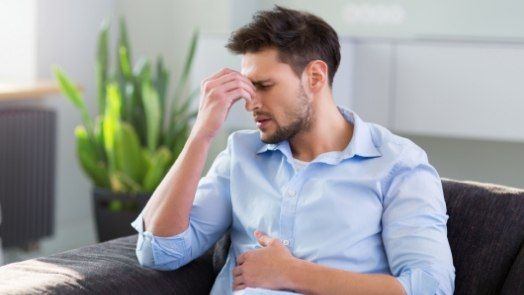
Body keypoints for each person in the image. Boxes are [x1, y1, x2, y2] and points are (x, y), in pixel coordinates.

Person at [131, 6, 455, 295]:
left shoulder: (397, 164)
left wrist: (291, 273)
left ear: (314, 76)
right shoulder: (241, 154)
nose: (250, 102)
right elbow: (160, 252)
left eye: (264, 86)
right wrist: (201, 134)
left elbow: (431, 286)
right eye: (247, 86)